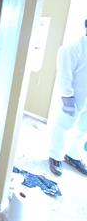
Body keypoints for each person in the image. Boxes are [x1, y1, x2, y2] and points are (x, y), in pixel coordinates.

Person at [49, 19, 87, 176]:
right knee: (64, 125)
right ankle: (55, 156)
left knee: (83, 128)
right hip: (75, 97)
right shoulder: (72, 48)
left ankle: (73, 155)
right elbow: (64, 75)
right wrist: (67, 96)